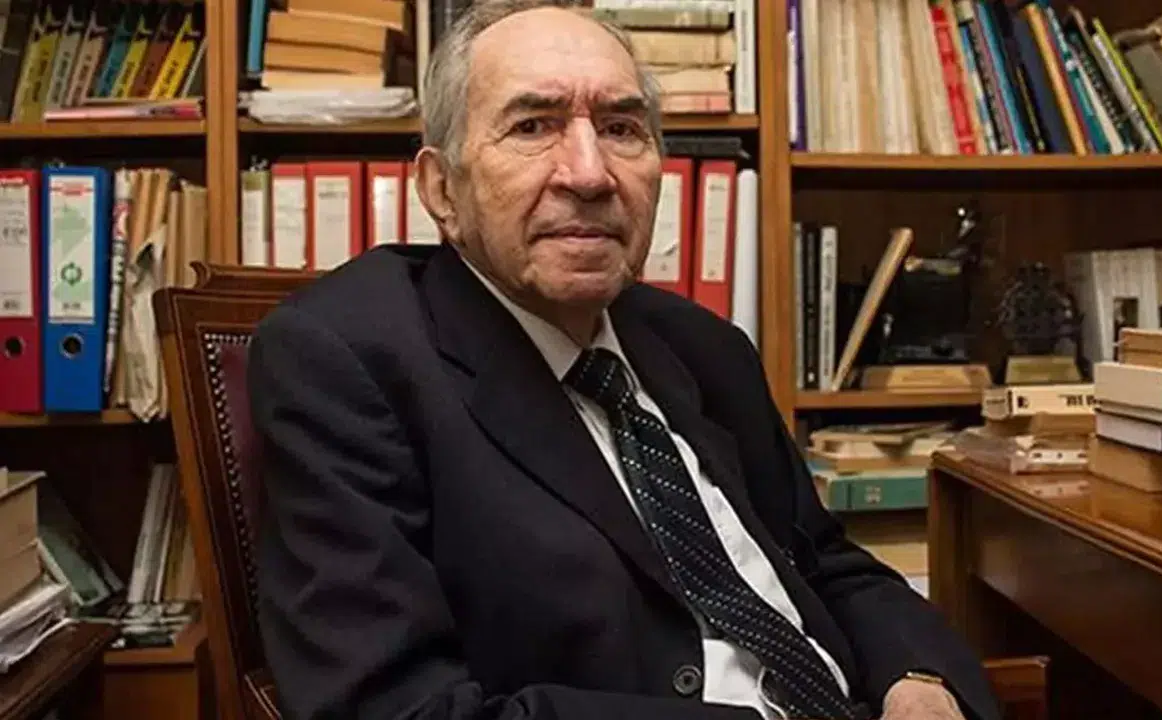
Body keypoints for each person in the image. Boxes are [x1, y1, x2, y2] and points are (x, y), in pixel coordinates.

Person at [247, 2, 1002, 719]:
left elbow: (825, 563)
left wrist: (919, 678)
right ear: (442, 189)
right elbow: (395, 708)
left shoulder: (702, 346)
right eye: (533, 126)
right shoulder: (349, 361)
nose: (589, 173)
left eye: (620, 129)